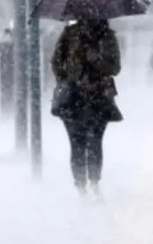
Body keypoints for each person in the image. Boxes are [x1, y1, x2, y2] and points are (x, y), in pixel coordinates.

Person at [50, 19, 122, 197]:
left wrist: (97, 60)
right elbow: (56, 61)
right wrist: (66, 81)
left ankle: (94, 182)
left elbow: (115, 67)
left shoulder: (108, 36)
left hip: (98, 96)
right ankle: (81, 185)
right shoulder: (70, 34)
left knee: (95, 142)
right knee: (77, 143)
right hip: (73, 98)